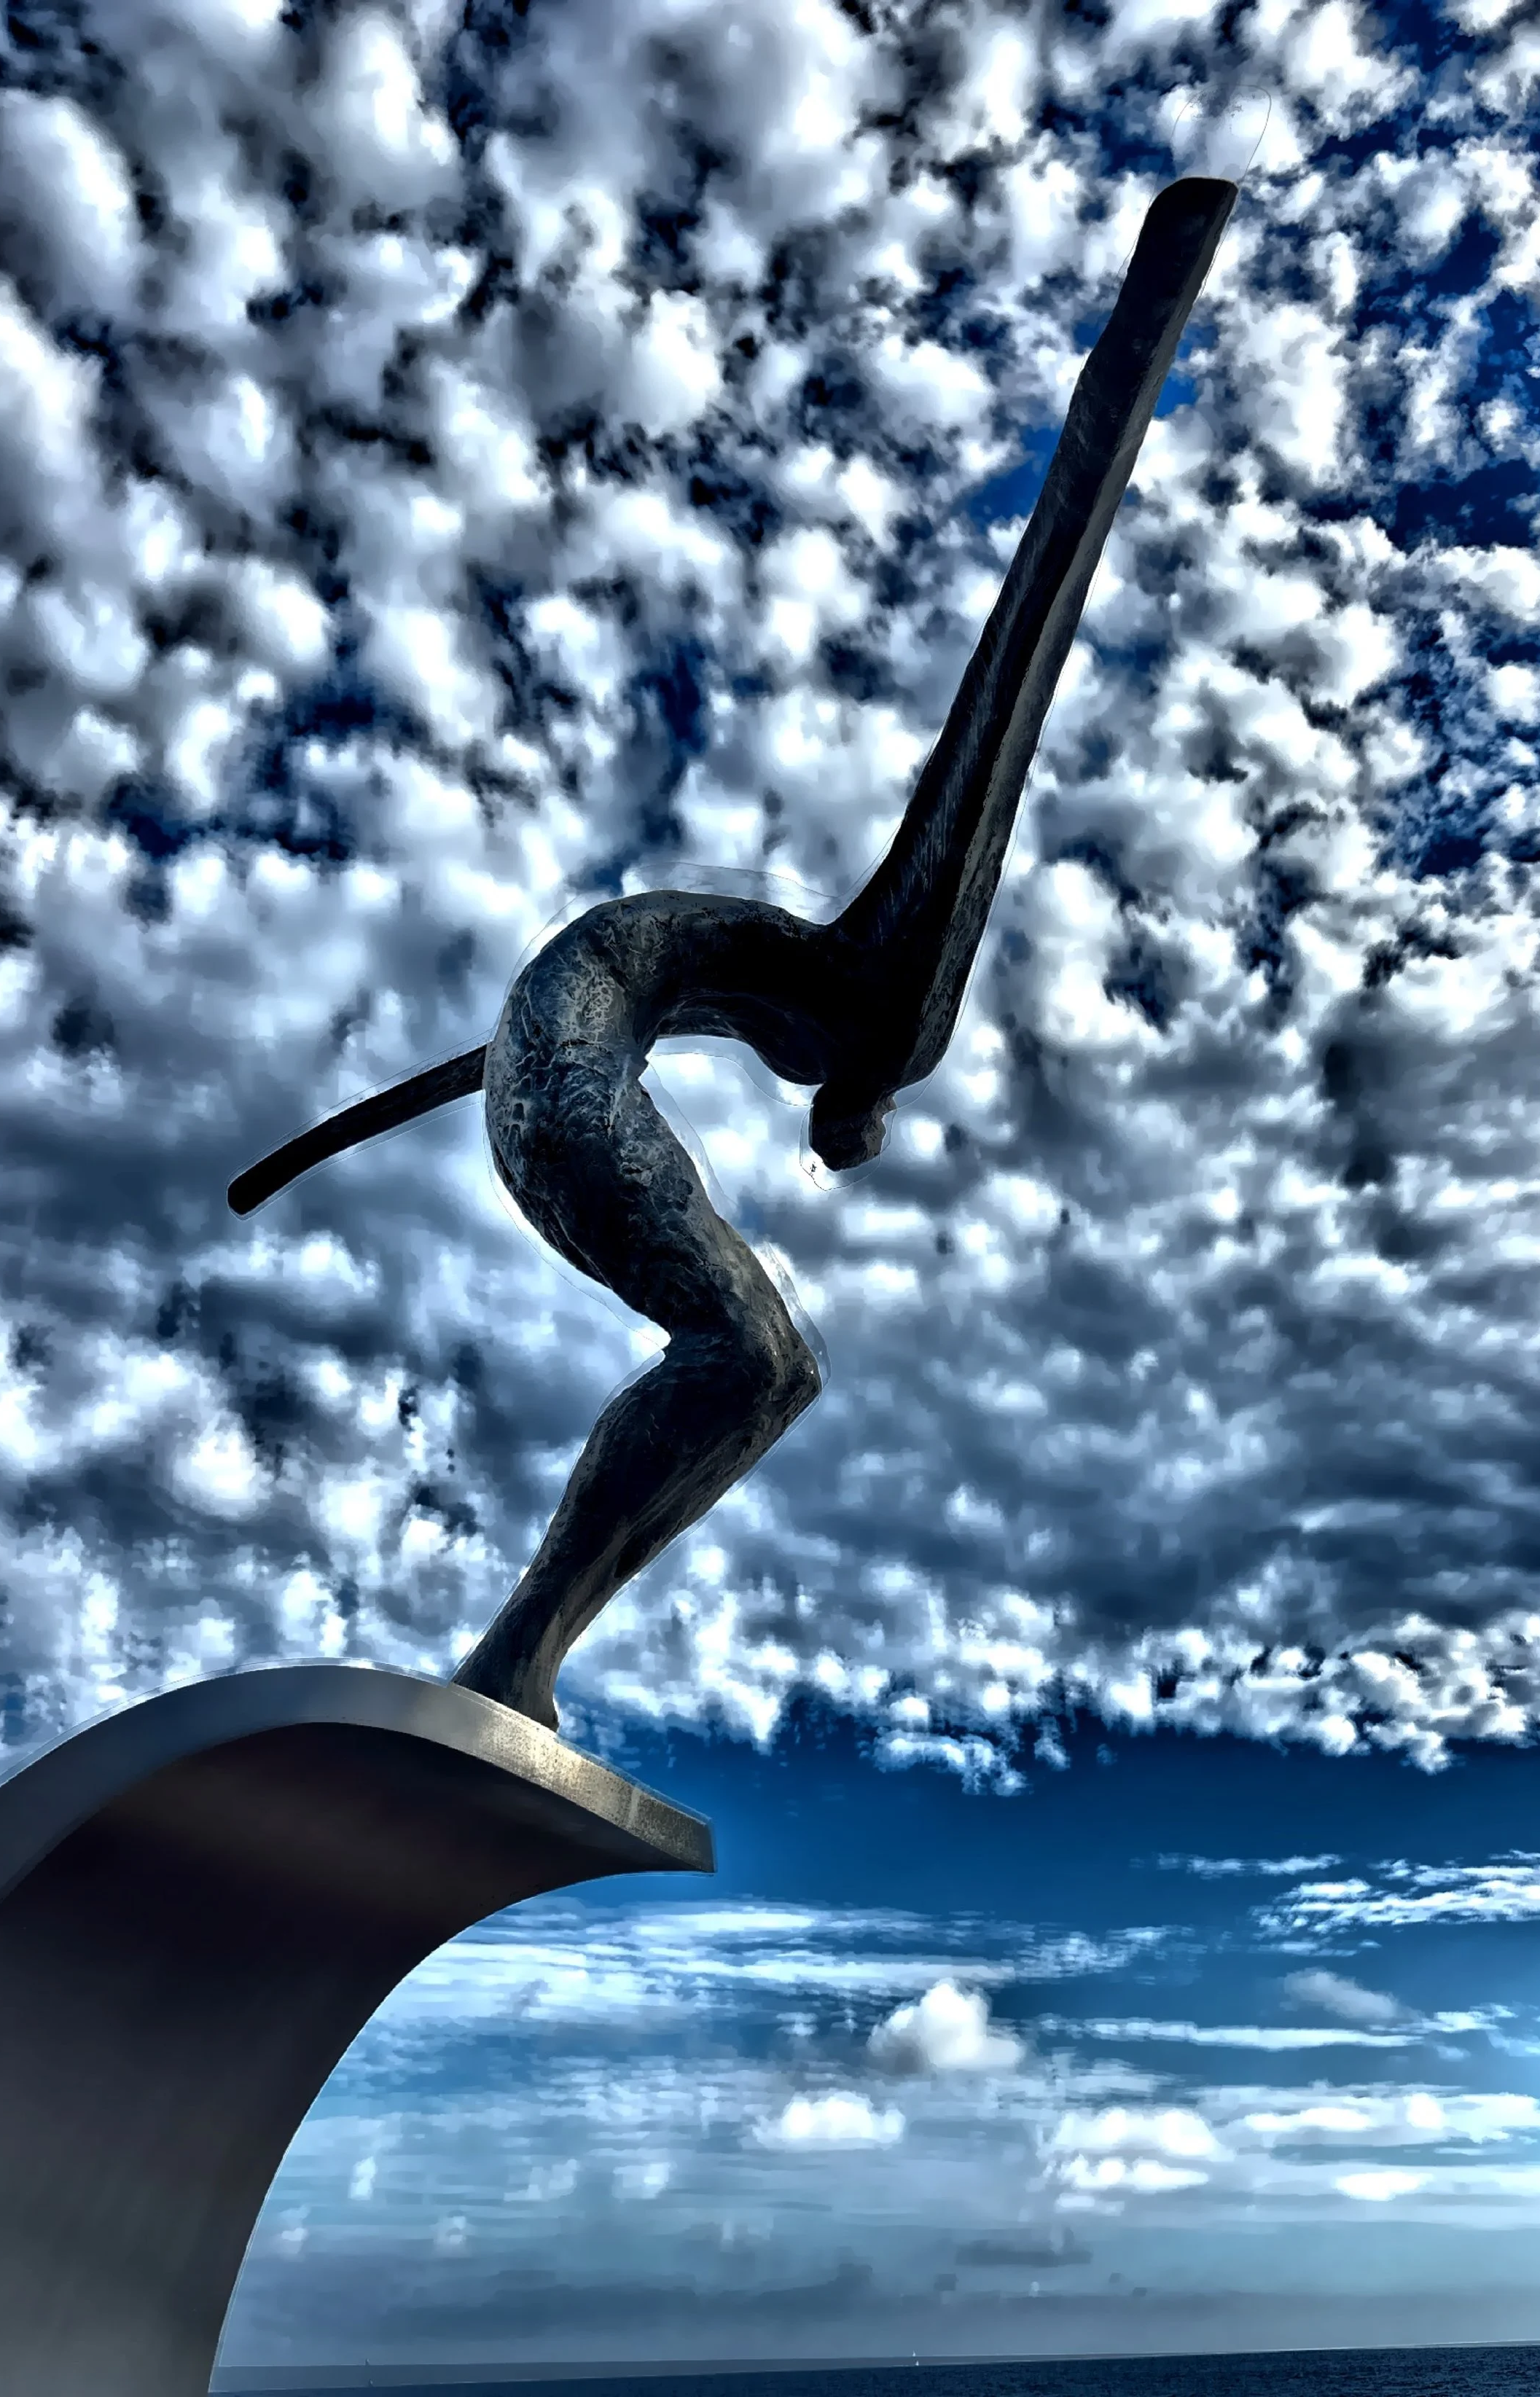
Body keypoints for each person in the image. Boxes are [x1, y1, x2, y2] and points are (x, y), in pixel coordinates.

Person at [230, 176, 1238, 1729]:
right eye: (855, 1131)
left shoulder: (746, 981)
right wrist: (1152, 313)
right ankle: (519, 1654)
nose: (843, 1140)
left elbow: (555, 1027)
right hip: (555, 1068)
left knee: (756, 1358)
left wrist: (418, 1093)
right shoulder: (885, 1011)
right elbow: (1012, 681)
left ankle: (524, 1649)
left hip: (547, 1056)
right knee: (758, 1360)